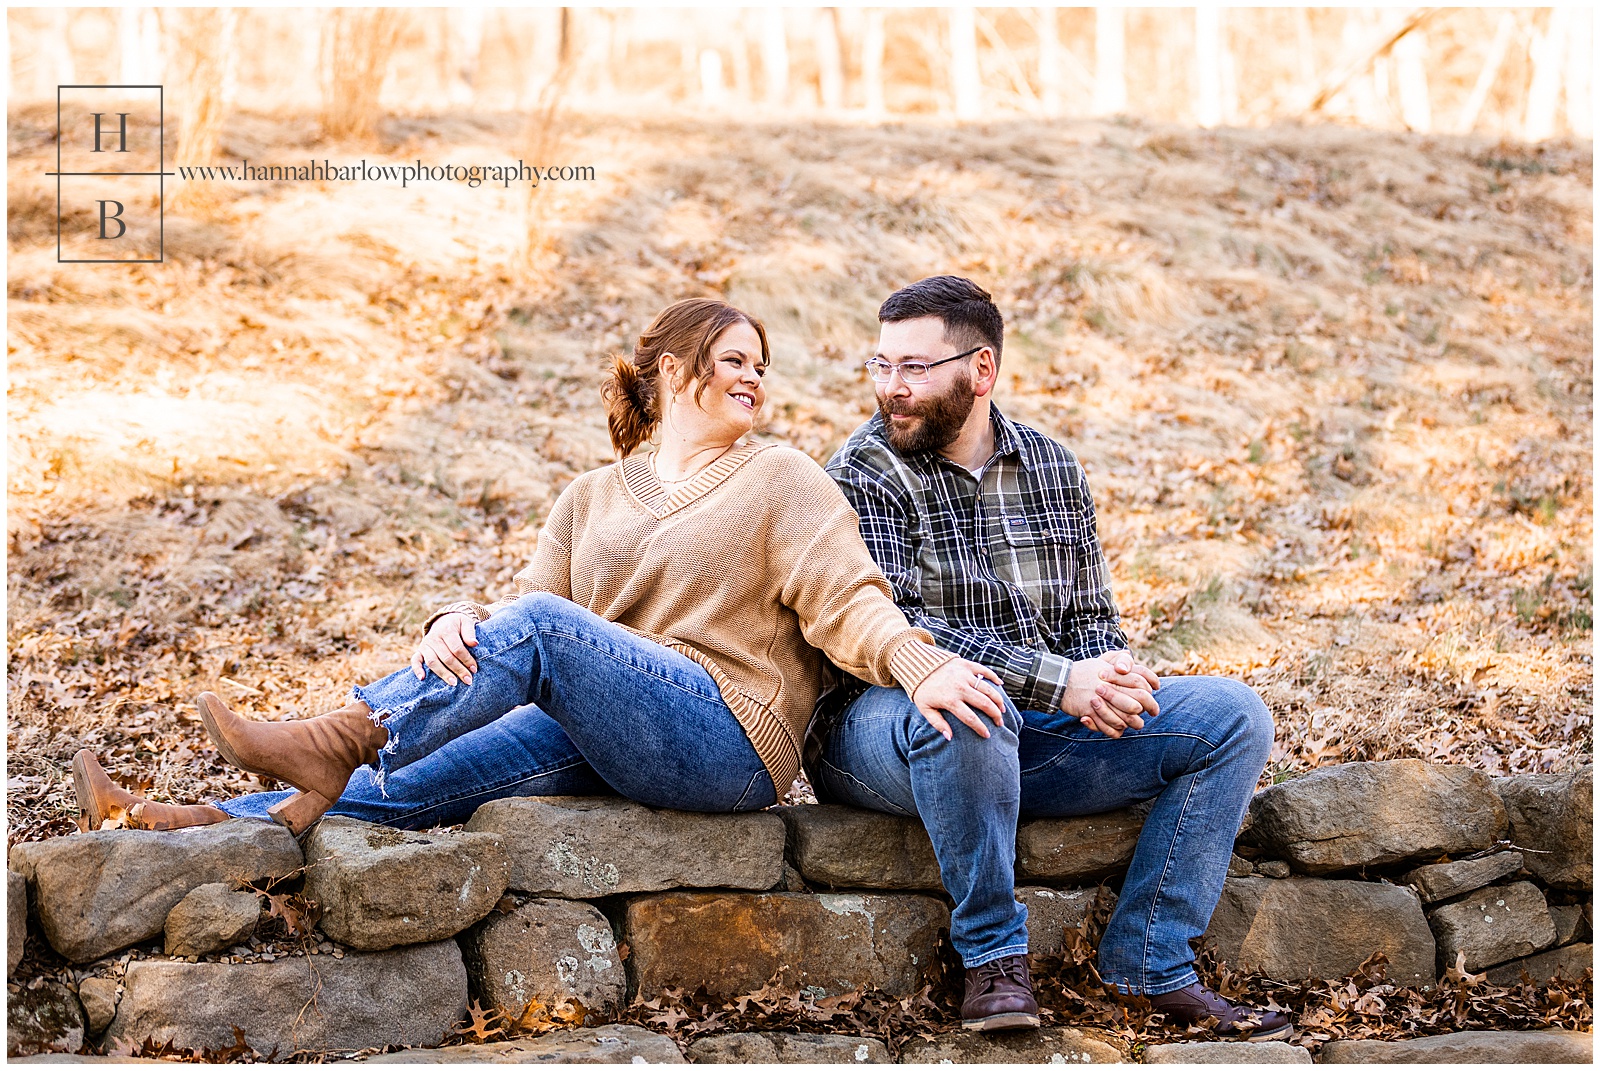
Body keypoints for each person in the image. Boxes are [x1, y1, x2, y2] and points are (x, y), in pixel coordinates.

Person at [72, 298, 1006, 845]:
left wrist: (921, 666)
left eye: (762, 365)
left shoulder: (782, 478)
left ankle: (344, 729)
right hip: (609, 723)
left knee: (540, 636)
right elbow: (521, 628)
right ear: (674, 373)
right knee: (416, 778)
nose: (755, 378)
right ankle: (186, 822)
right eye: (733, 361)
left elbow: (849, 602)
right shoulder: (589, 495)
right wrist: (449, 620)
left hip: (730, 739)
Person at [809, 276, 1290, 1040]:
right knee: (966, 701)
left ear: (982, 370)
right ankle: (995, 958)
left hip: (1033, 732)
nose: (890, 390)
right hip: (881, 728)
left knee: (1232, 717)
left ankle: (1148, 959)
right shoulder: (861, 472)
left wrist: (1110, 676)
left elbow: (1090, 618)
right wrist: (1062, 681)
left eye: (914, 368)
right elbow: (899, 628)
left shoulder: (1053, 468)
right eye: (880, 364)